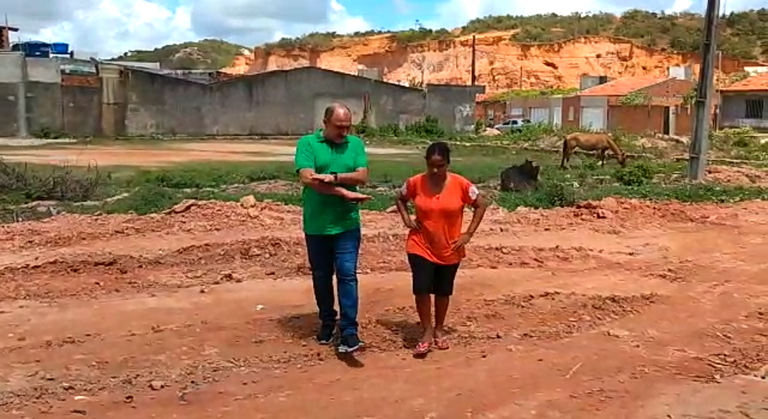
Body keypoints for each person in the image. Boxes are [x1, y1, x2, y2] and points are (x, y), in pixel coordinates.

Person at [395, 141, 488, 356]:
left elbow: (480, 204)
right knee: (421, 288)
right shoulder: (415, 182)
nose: (435, 170)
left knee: (443, 291)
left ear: (448, 163)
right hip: (420, 243)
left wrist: (468, 234)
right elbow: (400, 198)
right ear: (426, 163)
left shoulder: (461, 184)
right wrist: (407, 219)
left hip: (450, 247)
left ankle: (439, 329)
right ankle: (427, 332)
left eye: (441, 166)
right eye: (431, 165)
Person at [294, 103, 371, 354]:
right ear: (325, 123)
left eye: (347, 126)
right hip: (317, 224)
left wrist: (334, 177)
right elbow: (308, 178)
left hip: (347, 223)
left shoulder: (355, 144)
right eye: (338, 127)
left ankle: (349, 330)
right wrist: (343, 192)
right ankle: (327, 321)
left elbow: (362, 175)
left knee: (347, 275)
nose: (343, 132)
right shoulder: (307, 144)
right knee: (321, 276)